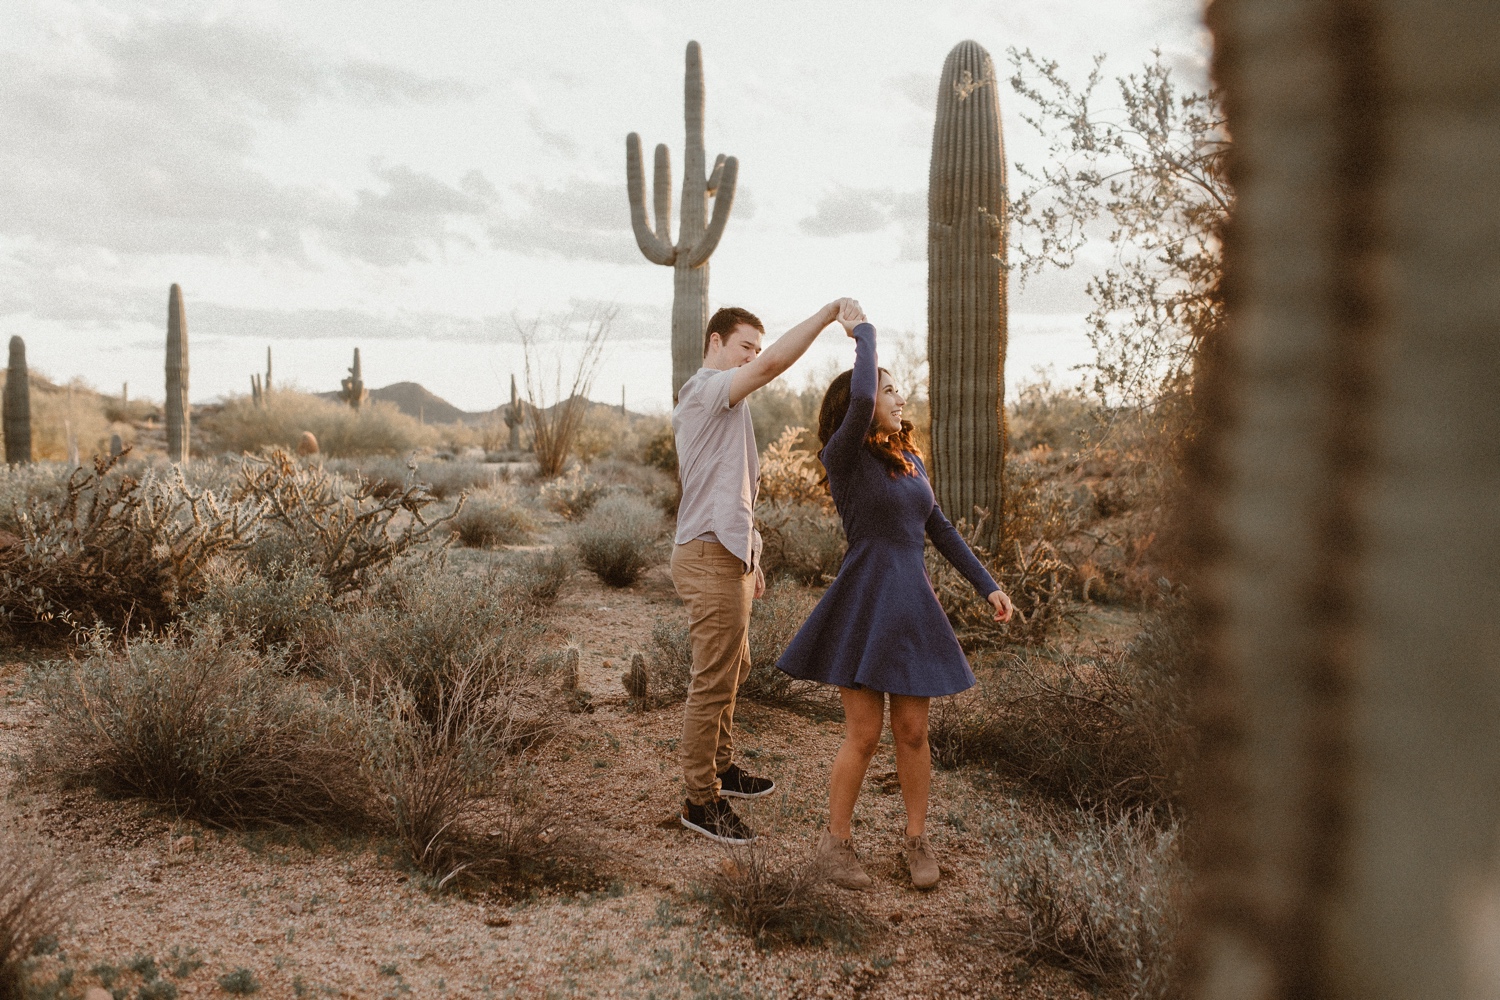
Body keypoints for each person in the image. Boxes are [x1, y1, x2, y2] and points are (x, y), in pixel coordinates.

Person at [776, 309, 1014, 889]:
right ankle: (835, 846)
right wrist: (863, 332)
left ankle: (915, 840)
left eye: (896, 387)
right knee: (864, 735)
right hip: (863, 602)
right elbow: (859, 399)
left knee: (912, 732)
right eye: (889, 388)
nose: (898, 395)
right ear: (861, 402)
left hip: (912, 607)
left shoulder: (911, 462)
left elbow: (942, 530)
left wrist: (988, 585)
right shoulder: (846, 456)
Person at [672, 298, 860, 844]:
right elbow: (775, 366)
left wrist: (753, 555)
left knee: (735, 666)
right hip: (707, 554)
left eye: (756, 347)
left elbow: (736, 489)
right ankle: (698, 801)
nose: (753, 357)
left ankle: (722, 769)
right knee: (712, 681)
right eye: (745, 347)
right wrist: (826, 316)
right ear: (715, 343)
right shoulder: (706, 389)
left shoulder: (727, 403)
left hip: (727, 553)